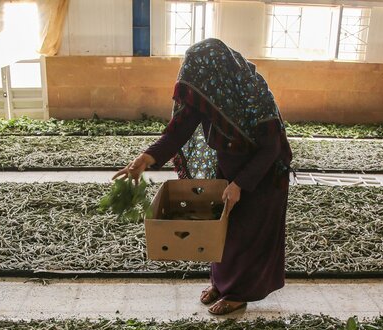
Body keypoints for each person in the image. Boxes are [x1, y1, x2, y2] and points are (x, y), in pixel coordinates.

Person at [114, 38, 292, 315]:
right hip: (229, 168)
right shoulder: (207, 94)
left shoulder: (254, 92)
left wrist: (240, 184)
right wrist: (146, 159)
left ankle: (238, 293)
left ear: (214, 76)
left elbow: (272, 148)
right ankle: (221, 284)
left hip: (263, 174)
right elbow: (178, 131)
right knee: (222, 229)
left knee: (247, 234)